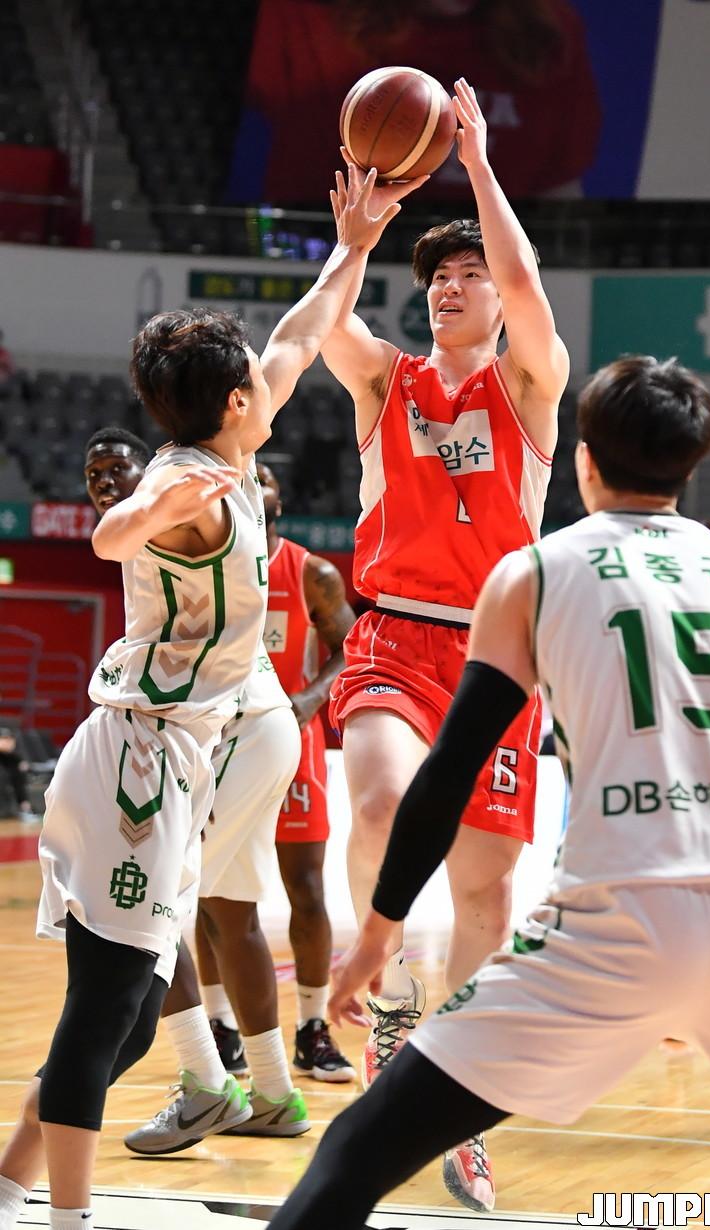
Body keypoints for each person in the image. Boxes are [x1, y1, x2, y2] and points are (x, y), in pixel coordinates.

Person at [269, 355, 710, 1229]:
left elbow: (450, 768)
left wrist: (378, 930)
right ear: (693, 464)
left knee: (353, 1155)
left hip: (621, 917)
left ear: (584, 462)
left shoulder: (535, 572)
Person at [0, 165, 417, 1230]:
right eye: (255, 384)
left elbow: (304, 330)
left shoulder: (233, 441)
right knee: (109, 1008)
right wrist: (147, 507)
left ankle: (6, 1184)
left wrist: (357, 241)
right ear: (235, 404)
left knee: (137, 1014)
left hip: (182, 752)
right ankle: (65, 1219)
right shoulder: (187, 481)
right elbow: (109, 536)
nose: (272, 386)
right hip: (139, 757)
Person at [322, 79, 569, 1211]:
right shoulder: (390, 380)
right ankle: (390, 1008)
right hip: (392, 635)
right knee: (378, 807)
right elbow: (322, 332)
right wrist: (356, 240)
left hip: (498, 654)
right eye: (436, 279)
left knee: (485, 896)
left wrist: (474, 162)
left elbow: (526, 286)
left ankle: (453, 1104)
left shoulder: (527, 384)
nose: (450, 288)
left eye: (467, 275)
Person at [195, 462, 357, 1083]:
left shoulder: (310, 571)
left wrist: (312, 698)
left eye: (264, 480)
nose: (254, 486)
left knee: (307, 889)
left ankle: (313, 1028)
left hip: (290, 740)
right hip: (217, 741)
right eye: (245, 479)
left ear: (279, 504)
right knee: (211, 890)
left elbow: (350, 646)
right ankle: (220, 1026)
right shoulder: (205, 564)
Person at [234, 0, 600, 203]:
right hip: (329, 250)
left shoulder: (549, 32)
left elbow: (559, 192)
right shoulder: (302, 15)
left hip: (480, 266)